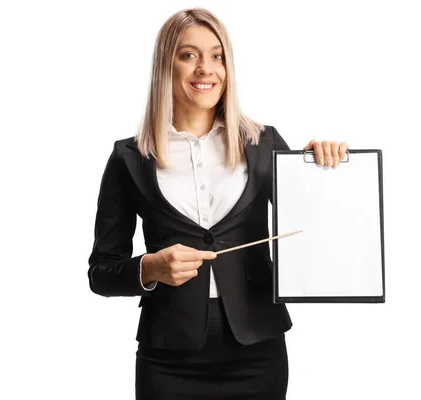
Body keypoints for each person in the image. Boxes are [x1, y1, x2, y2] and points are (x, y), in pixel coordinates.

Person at [87, 7, 348, 400]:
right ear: (165, 66)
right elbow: (101, 271)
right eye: (188, 55)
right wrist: (151, 267)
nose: (205, 68)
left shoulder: (263, 143)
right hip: (168, 356)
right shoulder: (128, 157)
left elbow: (317, 232)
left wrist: (322, 167)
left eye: (217, 55)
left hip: (257, 349)